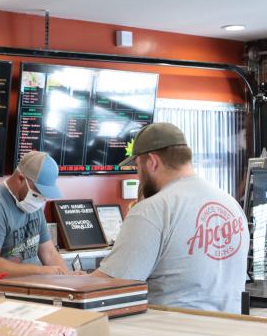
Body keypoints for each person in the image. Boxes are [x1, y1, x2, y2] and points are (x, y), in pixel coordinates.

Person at [90, 123, 249, 313]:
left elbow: (113, 284)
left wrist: (68, 282)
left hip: (173, 334)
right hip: (230, 331)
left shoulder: (151, 210)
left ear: (152, 161)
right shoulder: (229, 203)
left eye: (137, 167)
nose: (138, 176)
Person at [0, 151, 69, 277]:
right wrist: (41, 271)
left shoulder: (33, 206)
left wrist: (68, 279)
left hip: (17, 292)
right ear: (20, 179)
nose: (42, 199)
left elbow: (49, 253)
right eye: (38, 192)